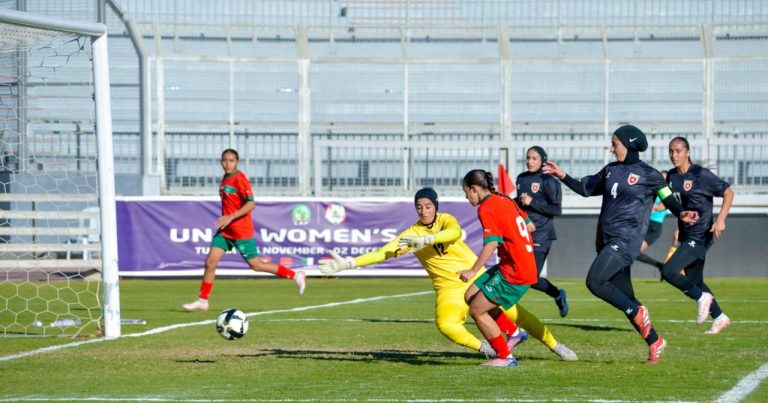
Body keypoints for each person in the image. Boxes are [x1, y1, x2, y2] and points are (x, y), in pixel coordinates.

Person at [318, 188, 577, 364]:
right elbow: (384, 252)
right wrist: (348, 264)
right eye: (419, 206)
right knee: (445, 325)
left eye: (428, 205)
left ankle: (555, 345)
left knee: (517, 314)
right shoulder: (412, 234)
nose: (423, 210)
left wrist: (428, 240)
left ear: (435, 207)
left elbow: (453, 234)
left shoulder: (446, 220)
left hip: (474, 278)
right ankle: (487, 348)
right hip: (448, 290)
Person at [543, 125, 698, 364]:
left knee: (595, 281)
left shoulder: (649, 174)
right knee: (626, 297)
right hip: (606, 240)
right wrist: (562, 175)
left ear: (629, 144)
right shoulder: (610, 170)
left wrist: (682, 213)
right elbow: (585, 189)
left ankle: (638, 312)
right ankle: (654, 340)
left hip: (626, 241)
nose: (611, 148)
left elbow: (669, 199)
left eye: (615, 143)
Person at [458, 170, 576, 367]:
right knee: (470, 295)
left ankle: (505, 357)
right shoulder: (504, 198)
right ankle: (514, 333)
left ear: (474, 188)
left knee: (477, 310)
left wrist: (472, 270)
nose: (467, 197)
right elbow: (530, 227)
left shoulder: (486, 207)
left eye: (466, 192)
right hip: (515, 263)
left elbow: (491, 243)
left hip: (515, 270)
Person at [183, 149, 306, 312]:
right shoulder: (225, 178)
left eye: (231, 160)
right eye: (225, 160)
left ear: (237, 162)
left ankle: (296, 275)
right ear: (221, 162)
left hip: (241, 231)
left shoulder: (240, 179)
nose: (228, 163)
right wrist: (226, 220)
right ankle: (203, 301)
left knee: (256, 265)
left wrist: (229, 217)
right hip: (226, 232)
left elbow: (251, 204)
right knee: (210, 262)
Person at [662, 136, 734, 334]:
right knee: (695, 281)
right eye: (670, 151)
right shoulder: (673, 178)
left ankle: (702, 299)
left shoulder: (701, 175)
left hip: (701, 235)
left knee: (669, 272)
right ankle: (720, 317)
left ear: (688, 152)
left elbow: (728, 192)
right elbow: (672, 202)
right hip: (687, 235)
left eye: (678, 151)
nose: (674, 155)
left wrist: (720, 220)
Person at [515, 146, 569, 317]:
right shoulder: (521, 178)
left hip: (542, 234)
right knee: (519, 274)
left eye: (534, 158)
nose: (530, 161)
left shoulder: (550, 181)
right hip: (523, 233)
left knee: (531, 278)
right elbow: (519, 204)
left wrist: (532, 202)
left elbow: (556, 210)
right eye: (528, 158)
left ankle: (557, 294)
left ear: (542, 161)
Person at [635, 171, 669, 280]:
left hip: (653, 228)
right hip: (643, 224)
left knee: (634, 252)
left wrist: (652, 207)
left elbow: (661, 206)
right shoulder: (652, 190)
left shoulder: (666, 193)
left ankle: (660, 266)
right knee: (630, 251)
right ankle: (660, 266)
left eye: (664, 179)